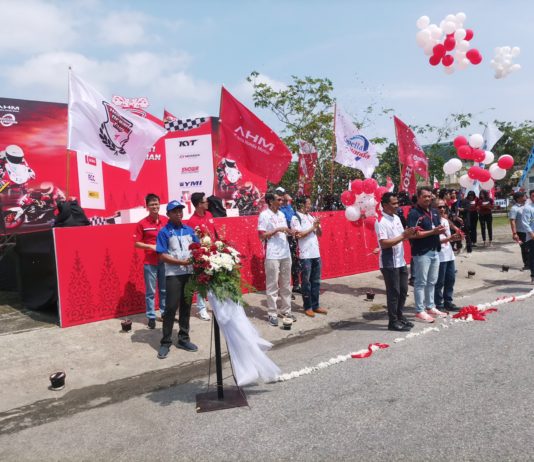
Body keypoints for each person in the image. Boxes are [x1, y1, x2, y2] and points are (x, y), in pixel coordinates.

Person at [156, 200, 200, 359]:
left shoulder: (189, 230)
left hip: (189, 274)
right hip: (173, 275)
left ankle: (183, 339)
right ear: (168, 214)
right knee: (170, 308)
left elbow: (198, 248)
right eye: (175, 211)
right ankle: (165, 342)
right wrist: (181, 262)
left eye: (180, 210)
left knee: (186, 307)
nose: (178, 213)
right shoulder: (164, 232)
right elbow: (162, 256)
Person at [375, 192, 417, 331]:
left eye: (397, 203)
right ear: (385, 205)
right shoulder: (381, 221)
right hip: (389, 262)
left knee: (403, 290)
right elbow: (384, 243)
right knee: (394, 293)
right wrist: (404, 235)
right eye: (394, 203)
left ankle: (399, 316)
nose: (397, 206)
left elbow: (402, 236)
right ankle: (392, 322)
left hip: (401, 261)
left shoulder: (397, 218)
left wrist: (410, 233)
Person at [407, 186, 447, 323]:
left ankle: (430, 306)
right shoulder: (414, 213)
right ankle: (420, 310)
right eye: (425, 196)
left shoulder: (434, 211)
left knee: (432, 281)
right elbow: (412, 234)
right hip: (422, 252)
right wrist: (433, 232)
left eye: (429, 196)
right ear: (418, 197)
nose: (428, 199)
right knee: (420, 282)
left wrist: (441, 231)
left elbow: (436, 228)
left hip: (435, 250)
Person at [258, 191, 296, 326]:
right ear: (270, 201)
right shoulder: (264, 215)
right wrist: (276, 230)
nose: (281, 202)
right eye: (278, 200)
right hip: (272, 254)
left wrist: (291, 232)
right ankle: (272, 313)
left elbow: (285, 231)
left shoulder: (281, 214)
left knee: (286, 284)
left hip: (285, 253)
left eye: (281, 200)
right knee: (272, 285)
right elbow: (261, 235)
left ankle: (286, 311)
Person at [133, 194, 167, 329]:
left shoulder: (166, 220)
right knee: (150, 292)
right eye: (152, 204)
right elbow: (136, 243)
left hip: (165, 260)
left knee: (164, 289)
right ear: (147, 206)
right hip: (150, 262)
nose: (155, 206)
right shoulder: (142, 223)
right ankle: (151, 317)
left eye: (156, 204)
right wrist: (150, 246)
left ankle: (164, 313)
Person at [290, 196, 327, 317]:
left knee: (316, 281)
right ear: (301, 204)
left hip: (316, 254)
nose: (310, 206)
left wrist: (318, 225)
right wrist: (313, 227)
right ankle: (308, 307)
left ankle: (316, 305)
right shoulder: (295, 218)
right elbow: (299, 235)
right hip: (305, 255)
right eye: (308, 204)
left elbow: (320, 234)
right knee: (306, 282)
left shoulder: (311, 217)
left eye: (310, 204)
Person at [186, 192, 214, 321]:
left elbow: (214, 233)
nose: (207, 203)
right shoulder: (192, 222)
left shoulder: (209, 215)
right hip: (201, 256)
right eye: (205, 201)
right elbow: (192, 242)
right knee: (201, 282)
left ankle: (213, 305)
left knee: (213, 281)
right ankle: (202, 308)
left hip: (213, 253)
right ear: (198, 204)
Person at [434, 199, 462, 312]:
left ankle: (448, 302)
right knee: (439, 282)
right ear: (433, 208)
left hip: (449, 255)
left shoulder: (445, 221)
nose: (442, 209)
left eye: (443, 207)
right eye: (439, 207)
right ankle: (438, 304)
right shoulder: (432, 222)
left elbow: (448, 239)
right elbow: (434, 241)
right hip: (439, 256)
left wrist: (456, 238)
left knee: (450, 280)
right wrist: (450, 238)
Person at [276, 187, 301, 295]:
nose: (283, 197)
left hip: (291, 237)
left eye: (283, 194)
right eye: (280, 195)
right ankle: (284, 290)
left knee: (294, 262)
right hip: (282, 239)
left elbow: (294, 219)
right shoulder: (277, 209)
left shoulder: (289, 206)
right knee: (284, 265)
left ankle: (296, 285)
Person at [509, 191, 529, 270]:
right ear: (519, 198)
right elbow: (512, 221)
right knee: (525, 248)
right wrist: (514, 233)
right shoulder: (514, 209)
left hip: (530, 231)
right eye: (524, 196)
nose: (526, 197)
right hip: (521, 232)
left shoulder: (527, 206)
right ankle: (527, 264)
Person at [521, 190, 534, 284]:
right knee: (532, 257)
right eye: (533, 196)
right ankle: (533, 276)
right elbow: (525, 223)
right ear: (530, 197)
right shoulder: (528, 208)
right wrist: (531, 233)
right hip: (532, 237)